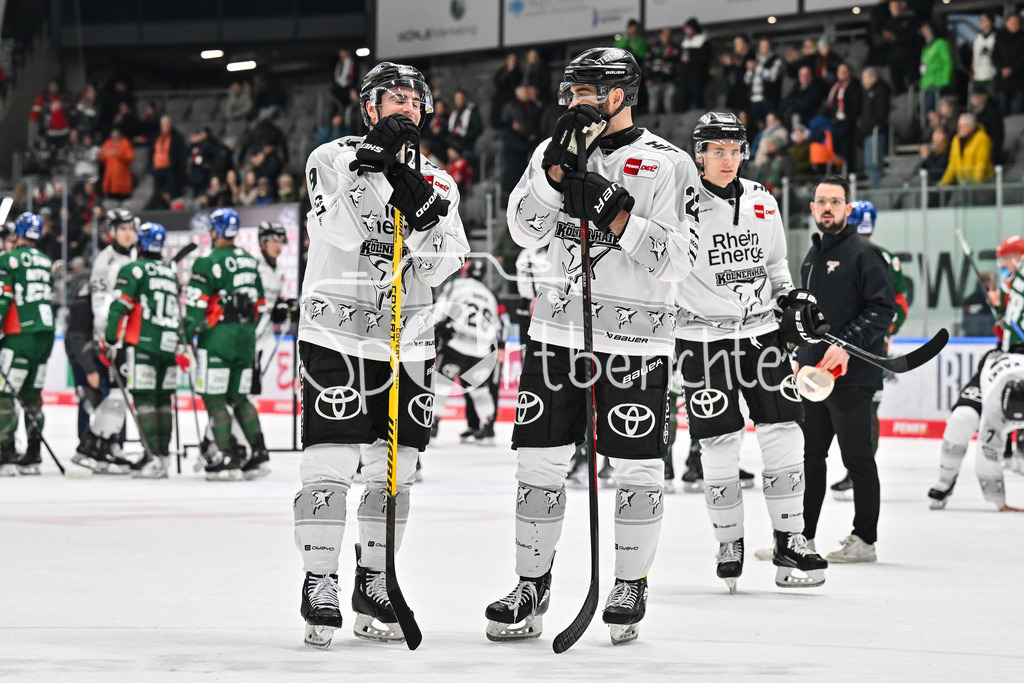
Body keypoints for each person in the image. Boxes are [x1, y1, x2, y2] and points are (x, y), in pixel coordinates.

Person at [486, 47, 699, 645]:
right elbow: (522, 232)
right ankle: (532, 584)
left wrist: (615, 215)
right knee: (538, 464)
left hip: (636, 342)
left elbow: (678, 262)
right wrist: (555, 175)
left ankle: (630, 581)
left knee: (635, 468)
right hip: (556, 333)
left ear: (619, 96)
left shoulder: (668, 165)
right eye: (572, 90)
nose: (575, 100)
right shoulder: (550, 150)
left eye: (587, 90)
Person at [295, 61, 468, 648]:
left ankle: (375, 580)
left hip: (408, 342)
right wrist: (371, 171)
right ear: (369, 108)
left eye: (415, 102)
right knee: (330, 464)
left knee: (394, 472)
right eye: (393, 99)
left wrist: (411, 192)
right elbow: (339, 232)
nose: (406, 109)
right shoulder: (332, 159)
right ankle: (319, 579)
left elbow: (445, 262)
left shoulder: (440, 180)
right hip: (336, 336)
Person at [673, 112, 830, 594]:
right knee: (719, 444)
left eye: (734, 150)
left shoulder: (763, 200)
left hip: (762, 337)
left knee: (785, 432)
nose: (727, 159)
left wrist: (792, 299)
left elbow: (777, 268)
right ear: (699, 154)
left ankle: (791, 538)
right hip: (701, 341)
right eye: (716, 151)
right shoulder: (678, 204)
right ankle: (730, 542)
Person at [795, 175, 895, 563]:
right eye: (821, 201)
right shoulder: (811, 255)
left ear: (848, 209)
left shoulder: (863, 253)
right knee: (809, 458)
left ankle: (864, 539)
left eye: (835, 201)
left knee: (856, 459)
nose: (828, 208)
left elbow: (883, 309)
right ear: (812, 208)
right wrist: (799, 356)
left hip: (852, 378)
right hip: (813, 377)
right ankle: (801, 538)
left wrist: (847, 346)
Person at [927, 236, 1024, 512]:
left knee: (993, 424)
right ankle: (944, 482)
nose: (1002, 265)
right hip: (999, 360)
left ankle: (1003, 479)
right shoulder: (1012, 287)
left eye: (1007, 258)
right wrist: (1001, 309)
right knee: (963, 417)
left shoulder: (1018, 279)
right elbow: (1007, 325)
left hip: (1019, 369)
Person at [182, 208, 272, 481]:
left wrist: (186, 334)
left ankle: (226, 456)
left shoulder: (207, 260)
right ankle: (258, 454)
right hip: (246, 338)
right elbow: (259, 304)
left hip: (218, 337)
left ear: (215, 231)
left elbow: (196, 306)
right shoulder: (249, 260)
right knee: (239, 397)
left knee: (214, 397)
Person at [830, 201, 909, 500]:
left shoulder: (847, 254)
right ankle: (858, 470)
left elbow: (897, 305)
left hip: (855, 345)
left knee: (860, 409)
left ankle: (858, 472)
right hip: (859, 345)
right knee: (857, 408)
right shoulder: (881, 256)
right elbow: (899, 306)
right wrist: (883, 332)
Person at [104, 222, 184, 478]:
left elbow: (120, 307)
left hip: (143, 344)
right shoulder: (170, 272)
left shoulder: (133, 269)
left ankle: (150, 458)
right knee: (163, 401)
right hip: (169, 345)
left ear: (140, 244)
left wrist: (110, 338)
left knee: (145, 400)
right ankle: (162, 455)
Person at [72, 208, 138, 474]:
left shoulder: (132, 257)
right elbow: (100, 305)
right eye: (122, 229)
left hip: (129, 336)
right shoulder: (105, 260)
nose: (127, 233)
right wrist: (108, 337)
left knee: (119, 395)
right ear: (111, 232)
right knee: (114, 393)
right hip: (114, 337)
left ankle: (107, 445)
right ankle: (90, 446)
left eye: (130, 229)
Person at [0, 213, 56, 476]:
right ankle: (33, 453)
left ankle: (6, 452)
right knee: (33, 396)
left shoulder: (8, 259)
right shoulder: (46, 262)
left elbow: (3, 299)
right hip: (45, 337)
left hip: (19, 334)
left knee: (3, 395)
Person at [432, 258, 504, 443]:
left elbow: (440, 310)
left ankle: (433, 424)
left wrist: (436, 329)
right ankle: (487, 426)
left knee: (440, 386)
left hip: (456, 346)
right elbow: (496, 325)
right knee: (480, 391)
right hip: (480, 352)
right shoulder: (489, 295)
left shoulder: (456, 284)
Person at [939, 113, 994, 187]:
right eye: (958, 126)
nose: (958, 129)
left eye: (962, 126)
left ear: (971, 127)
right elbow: (952, 165)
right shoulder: (956, 140)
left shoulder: (982, 138)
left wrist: (977, 181)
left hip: (983, 183)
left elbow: (981, 163)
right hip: (964, 183)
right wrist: (943, 183)